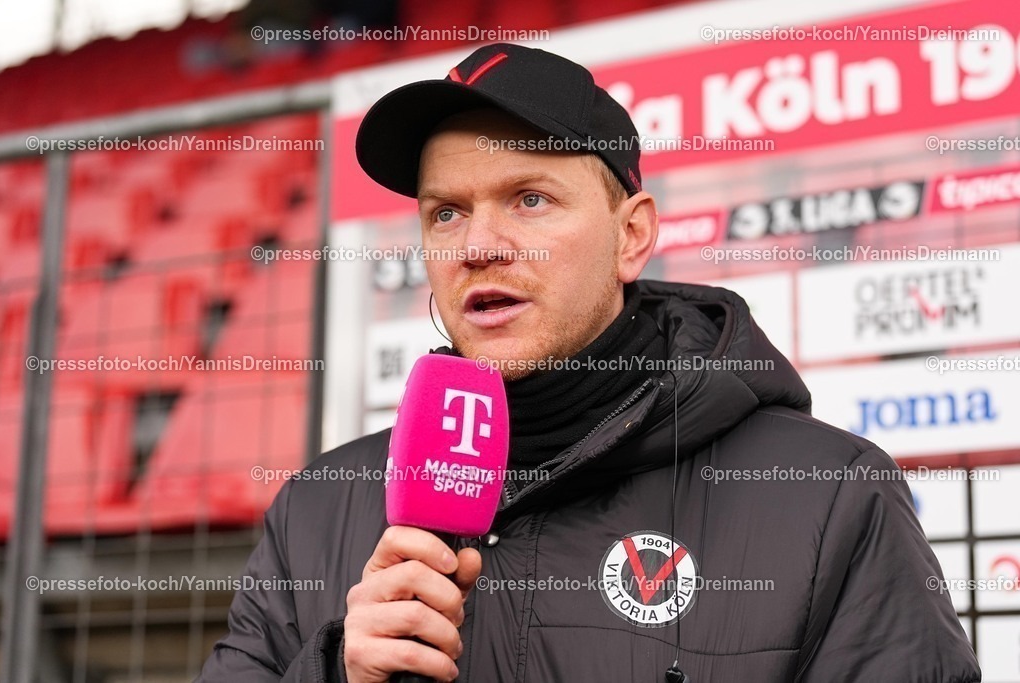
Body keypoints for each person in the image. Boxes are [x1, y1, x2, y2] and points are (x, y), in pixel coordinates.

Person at [198, 43, 981, 682]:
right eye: (447, 211)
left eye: (530, 198)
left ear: (631, 236)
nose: (479, 245)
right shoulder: (316, 509)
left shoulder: (829, 495)